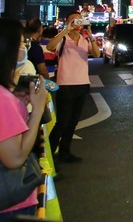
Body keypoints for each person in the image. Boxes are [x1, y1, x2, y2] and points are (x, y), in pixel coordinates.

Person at [0, 18, 47, 218]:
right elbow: (15, 158)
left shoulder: (6, 95)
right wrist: (36, 110)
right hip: (11, 206)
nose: (25, 48)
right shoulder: (3, 99)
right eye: (20, 43)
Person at [47, 11, 101, 163]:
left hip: (82, 84)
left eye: (79, 20)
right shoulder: (62, 39)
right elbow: (50, 46)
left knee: (73, 122)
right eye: (74, 20)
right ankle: (49, 157)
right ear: (68, 22)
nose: (77, 23)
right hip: (65, 85)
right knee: (62, 122)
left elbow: (97, 55)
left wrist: (90, 35)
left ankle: (65, 152)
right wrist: (66, 29)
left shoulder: (85, 39)